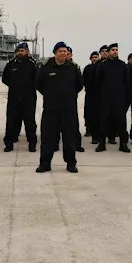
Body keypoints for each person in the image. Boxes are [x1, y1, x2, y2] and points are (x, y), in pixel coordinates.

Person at [36, 42, 83, 173]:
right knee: (47, 138)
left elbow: (79, 85)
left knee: (69, 138)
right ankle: (45, 164)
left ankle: (71, 164)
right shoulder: (46, 67)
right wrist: (50, 94)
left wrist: (70, 95)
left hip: (68, 109)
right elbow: (38, 84)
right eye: (60, 51)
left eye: (65, 51)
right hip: (51, 109)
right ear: (55, 53)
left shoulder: (73, 68)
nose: (63, 53)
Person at [2, 42, 38, 152]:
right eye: (18, 51)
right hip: (14, 98)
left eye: (22, 51)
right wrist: (14, 86)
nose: (20, 53)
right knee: (11, 121)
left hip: (28, 98)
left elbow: (37, 79)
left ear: (27, 52)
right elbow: (5, 79)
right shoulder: (11, 64)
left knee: (30, 122)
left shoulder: (32, 64)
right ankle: (9, 144)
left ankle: (32, 144)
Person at [95, 43, 130, 153]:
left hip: (119, 97)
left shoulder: (123, 65)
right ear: (108, 52)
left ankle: (123, 144)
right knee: (104, 120)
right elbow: (98, 82)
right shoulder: (103, 65)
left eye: (116, 50)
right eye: (113, 50)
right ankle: (101, 143)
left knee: (121, 120)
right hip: (105, 97)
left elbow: (127, 82)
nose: (115, 51)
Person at [83, 51, 100, 138]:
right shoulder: (87, 68)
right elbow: (83, 80)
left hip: (99, 94)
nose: (94, 59)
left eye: (96, 57)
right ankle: (88, 129)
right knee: (88, 111)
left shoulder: (100, 67)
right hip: (89, 93)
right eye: (93, 57)